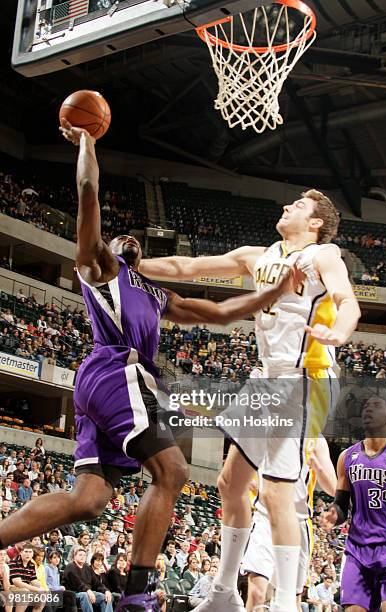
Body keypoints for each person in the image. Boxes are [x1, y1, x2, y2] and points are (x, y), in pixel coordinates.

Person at [0, 120, 304, 612]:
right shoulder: (100, 268)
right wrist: (87, 142)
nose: (126, 238)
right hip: (116, 370)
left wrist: (274, 292)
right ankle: (136, 597)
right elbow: (86, 190)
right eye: (116, 237)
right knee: (174, 470)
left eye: (131, 236)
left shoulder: (156, 293)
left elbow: (223, 312)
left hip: (108, 385)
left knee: (88, 500)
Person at [140, 189, 360, 611]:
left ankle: (284, 604)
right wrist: (125, 265)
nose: (286, 206)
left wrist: (341, 330)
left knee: (277, 492)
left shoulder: (323, 256)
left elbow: (347, 301)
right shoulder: (256, 255)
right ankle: (224, 593)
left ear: (315, 223)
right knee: (231, 483)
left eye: (298, 206)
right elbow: (185, 266)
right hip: (266, 379)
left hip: (307, 378)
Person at [321, 394, 386, 611]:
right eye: (366, 406)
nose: (368, 409)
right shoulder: (347, 457)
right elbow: (341, 504)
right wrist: (333, 514)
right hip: (358, 549)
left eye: (376, 405)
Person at [242, 436, 337, 612]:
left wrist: (319, 467)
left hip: (298, 522)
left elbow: (333, 487)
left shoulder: (316, 439)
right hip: (265, 518)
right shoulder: (262, 426)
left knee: (292, 601)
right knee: (256, 593)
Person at [62, 547, 113, 612]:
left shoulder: (87, 567)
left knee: (105, 597)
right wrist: (88, 590)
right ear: (75, 556)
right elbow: (78, 583)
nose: (82, 557)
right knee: (85, 595)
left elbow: (97, 583)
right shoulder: (70, 566)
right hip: (74, 593)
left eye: (84, 555)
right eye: (80, 555)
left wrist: (106, 591)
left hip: (88, 592)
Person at [8, 542, 45, 612]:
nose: (28, 554)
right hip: (12, 587)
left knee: (43, 595)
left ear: (33, 554)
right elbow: (17, 583)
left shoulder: (31, 565)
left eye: (30, 552)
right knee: (25, 593)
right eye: (26, 551)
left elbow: (34, 580)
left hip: (26, 588)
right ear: (21, 552)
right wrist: (37, 589)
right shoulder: (14, 562)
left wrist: (41, 588)